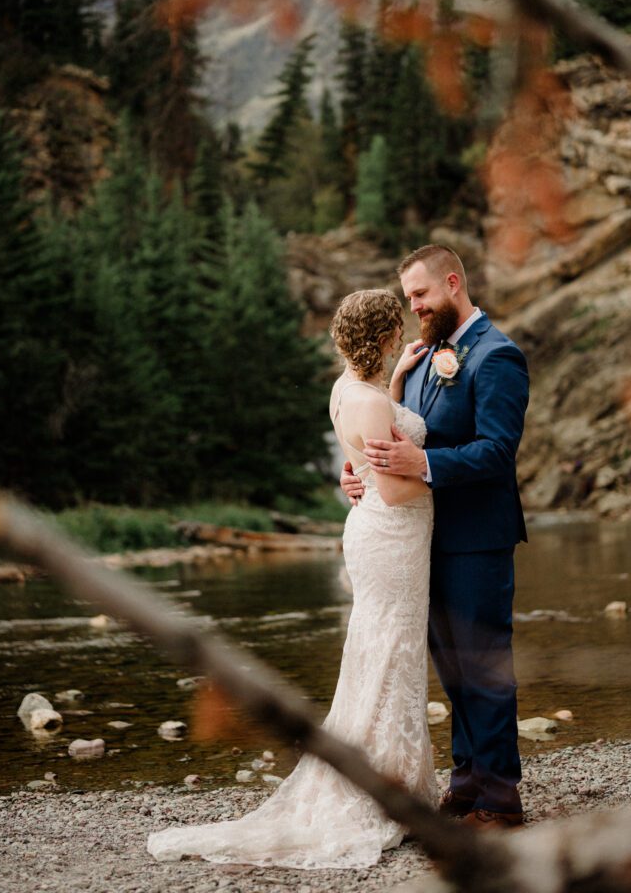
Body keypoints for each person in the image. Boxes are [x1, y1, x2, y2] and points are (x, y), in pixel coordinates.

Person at [147, 289, 438, 869]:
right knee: (391, 654)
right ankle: (384, 793)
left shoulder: (347, 391)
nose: (403, 338)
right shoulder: (371, 404)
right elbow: (397, 485)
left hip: (373, 534)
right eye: (397, 332)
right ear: (383, 337)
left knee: (377, 651)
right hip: (393, 537)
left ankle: (395, 781)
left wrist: (398, 385)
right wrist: (445, 481)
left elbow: (355, 463)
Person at [341, 244, 529, 831]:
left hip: (476, 538)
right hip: (421, 541)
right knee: (451, 667)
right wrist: (363, 474)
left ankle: (501, 799)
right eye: (408, 299)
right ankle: (467, 780)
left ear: (453, 282)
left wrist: (420, 465)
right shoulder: (425, 358)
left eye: (421, 295)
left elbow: (497, 451)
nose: (415, 307)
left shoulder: (498, 356)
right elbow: (391, 432)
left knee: (484, 664)